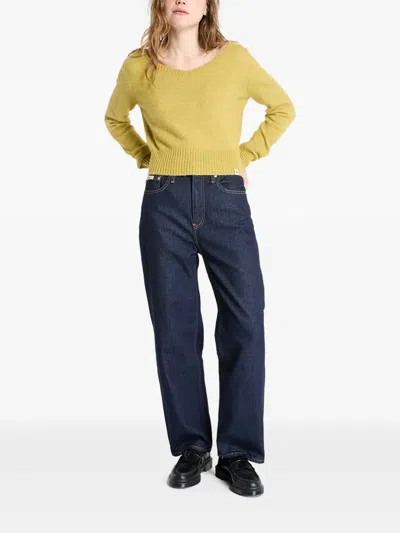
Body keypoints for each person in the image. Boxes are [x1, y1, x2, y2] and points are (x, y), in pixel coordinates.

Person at [104, 0, 295, 497]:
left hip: (226, 198)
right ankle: (192, 447)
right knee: (174, 326)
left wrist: (244, 155)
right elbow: (115, 119)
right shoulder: (139, 66)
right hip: (164, 201)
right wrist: (148, 157)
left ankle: (236, 454)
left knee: (245, 321)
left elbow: (282, 108)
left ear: (209, 5)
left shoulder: (235, 59)